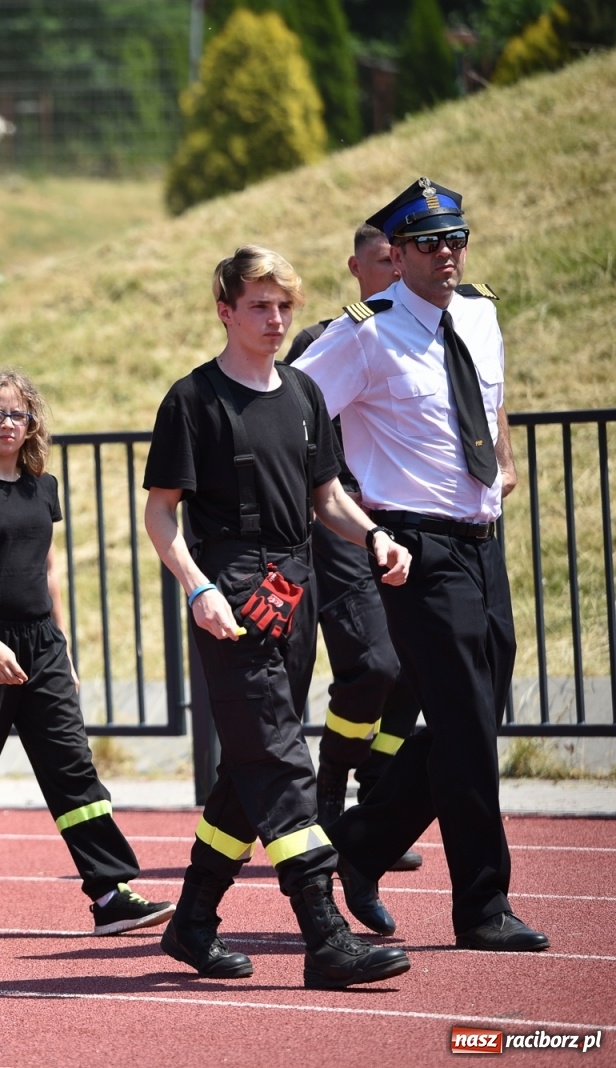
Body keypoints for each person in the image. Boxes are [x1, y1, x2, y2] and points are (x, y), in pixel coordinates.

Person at [142, 247, 412, 989]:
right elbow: (160, 515)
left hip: (297, 586)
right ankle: (325, 936)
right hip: (230, 592)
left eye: (284, 306)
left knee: (252, 763)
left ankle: (193, 923)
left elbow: (327, 499)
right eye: (260, 306)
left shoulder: (301, 393)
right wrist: (198, 587)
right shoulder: (191, 401)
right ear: (225, 310)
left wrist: (377, 536)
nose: (275, 318)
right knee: (283, 759)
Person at [293, 178, 547, 953]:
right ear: (394, 256)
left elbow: (490, 399)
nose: (448, 254)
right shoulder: (364, 331)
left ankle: (363, 845)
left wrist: (502, 461)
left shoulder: (480, 311)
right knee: (468, 730)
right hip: (415, 547)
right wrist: (336, 505)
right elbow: (296, 411)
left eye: (457, 240)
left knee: (478, 715)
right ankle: (482, 907)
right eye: (430, 244)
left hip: (482, 540)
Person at [0, 370, 171, 936]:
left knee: (72, 768)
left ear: (32, 421)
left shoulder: (44, 486)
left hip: (42, 647)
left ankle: (110, 891)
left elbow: (49, 568)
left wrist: (62, 649)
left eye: (17, 414)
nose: (7, 424)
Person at [283, 226, 422, 873]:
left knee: (418, 671)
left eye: (404, 258)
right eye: (382, 260)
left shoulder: (433, 336)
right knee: (374, 666)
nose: (396, 270)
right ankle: (332, 796)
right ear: (356, 267)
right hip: (344, 521)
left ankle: (376, 807)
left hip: (415, 522)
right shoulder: (330, 340)